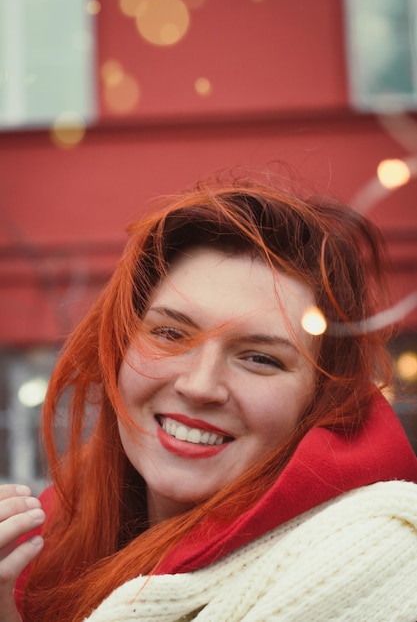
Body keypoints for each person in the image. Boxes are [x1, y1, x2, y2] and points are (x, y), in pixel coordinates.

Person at [2, 169, 417, 621]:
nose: (199, 386)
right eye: (170, 333)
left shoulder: (370, 565)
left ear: (321, 400)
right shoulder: (48, 546)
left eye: (260, 358)